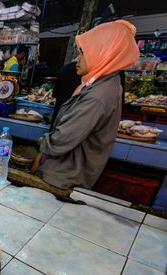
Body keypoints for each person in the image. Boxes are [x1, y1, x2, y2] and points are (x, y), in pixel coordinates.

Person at [32, 20, 139, 190]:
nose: (77, 58)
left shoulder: (98, 95)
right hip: (65, 172)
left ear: (102, 53)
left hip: (65, 176)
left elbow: (63, 139)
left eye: (83, 53)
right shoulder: (102, 84)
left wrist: (42, 143)